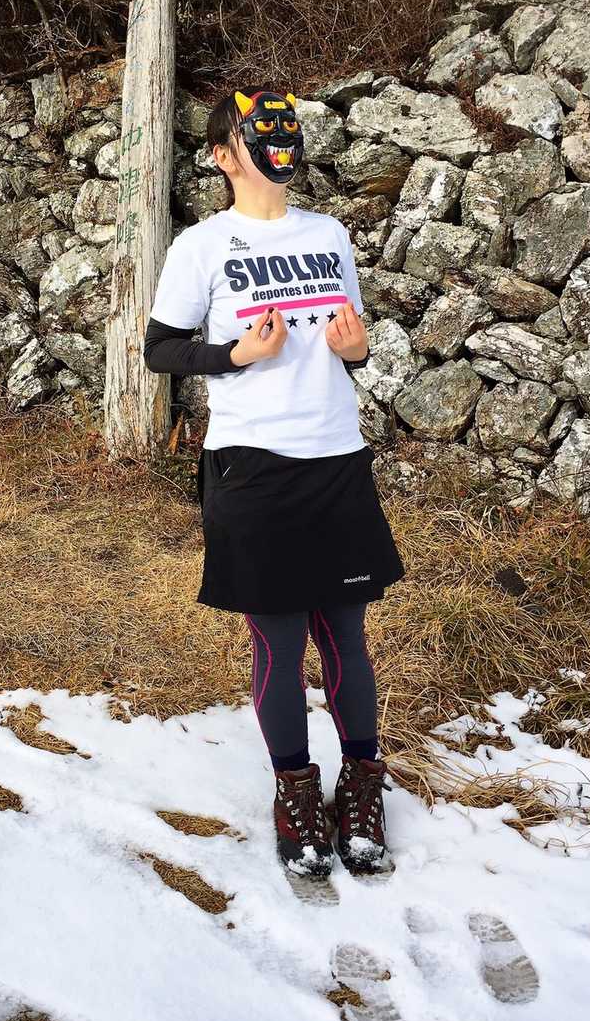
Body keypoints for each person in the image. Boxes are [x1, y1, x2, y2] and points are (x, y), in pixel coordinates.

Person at [143, 86, 406, 879]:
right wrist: (236, 355)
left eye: (287, 130)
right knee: (280, 641)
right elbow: (160, 349)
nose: (279, 142)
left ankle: (361, 783)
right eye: (260, 134)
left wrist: (356, 349)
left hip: (336, 457)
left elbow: (350, 347)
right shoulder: (202, 245)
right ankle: (296, 791)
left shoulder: (328, 235)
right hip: (252, 466)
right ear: (224, 156)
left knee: (346, 637)